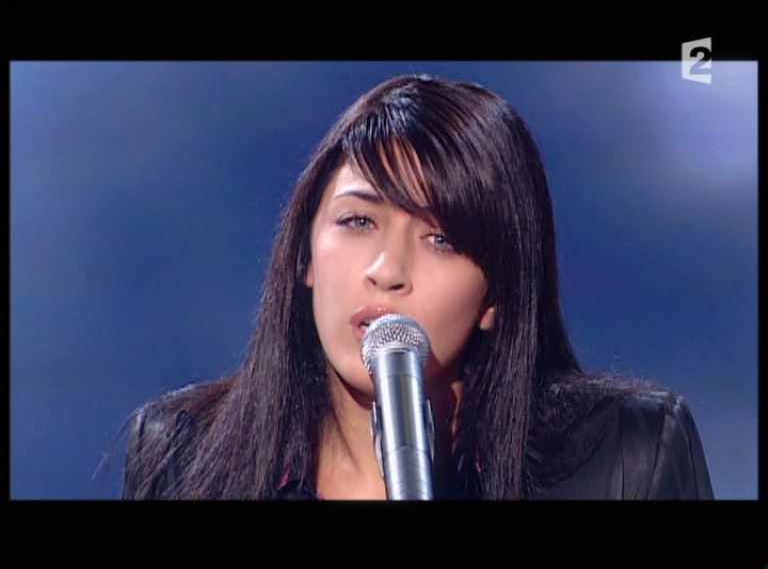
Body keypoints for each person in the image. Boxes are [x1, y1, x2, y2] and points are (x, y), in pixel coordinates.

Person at [120, 74, 714, 500]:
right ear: (305, 257)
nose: (387, 269)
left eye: (441, 239)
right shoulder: (183, 459)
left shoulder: (627, 457)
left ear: (495, 295)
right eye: (358, 222)